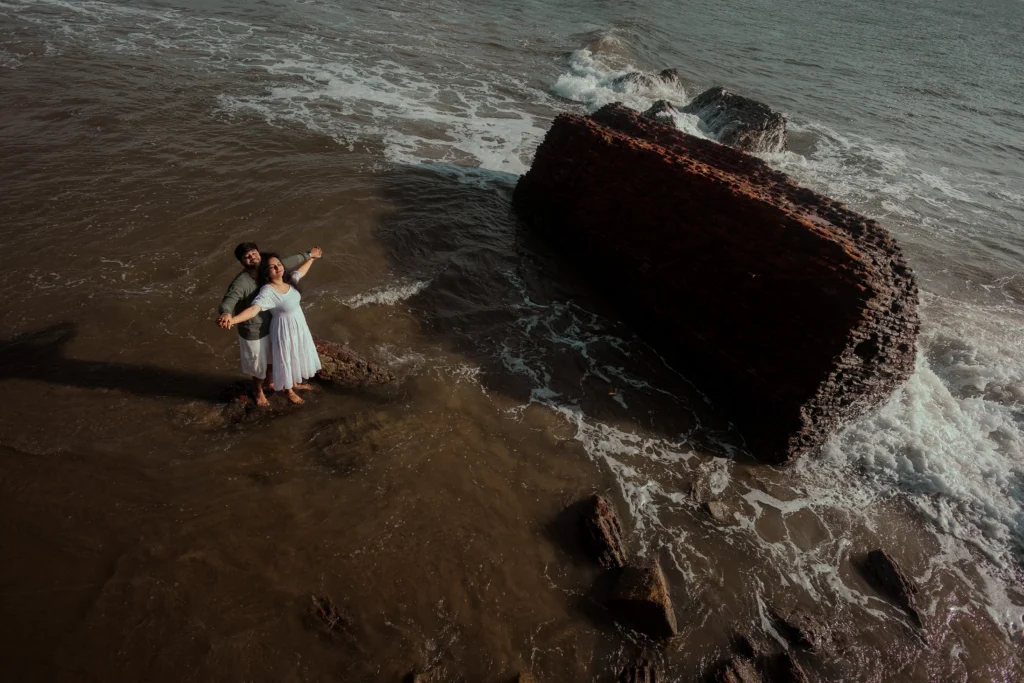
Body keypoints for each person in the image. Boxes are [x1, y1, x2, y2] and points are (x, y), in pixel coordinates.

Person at [216, 242, 322, 406]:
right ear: (242, 261)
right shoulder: (243, 282)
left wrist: (310, 256)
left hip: (274, 324)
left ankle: (279, 384)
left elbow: (290, 265)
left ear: (259, 253)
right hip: (253, 328)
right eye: (247, 256)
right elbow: (232, 301)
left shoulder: (272, 268)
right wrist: (227, 314)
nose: (252, 257)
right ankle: (259, 392)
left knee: (278, 358)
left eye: (254, 253)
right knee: (257, 365)